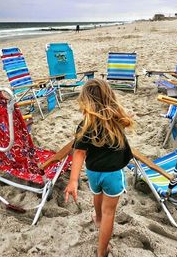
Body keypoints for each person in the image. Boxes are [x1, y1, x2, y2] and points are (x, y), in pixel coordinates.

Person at [64, 79, 134, 257]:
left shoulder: (85, 125)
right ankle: (102, 252)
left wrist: (73, 181)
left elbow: (78, 153)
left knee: (97, 195)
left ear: (85, 102)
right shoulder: (117, 121)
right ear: (110, 98)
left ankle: (98, 219)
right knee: (109, 211)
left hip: (93, 173)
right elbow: (127, 123)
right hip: (112, 174)